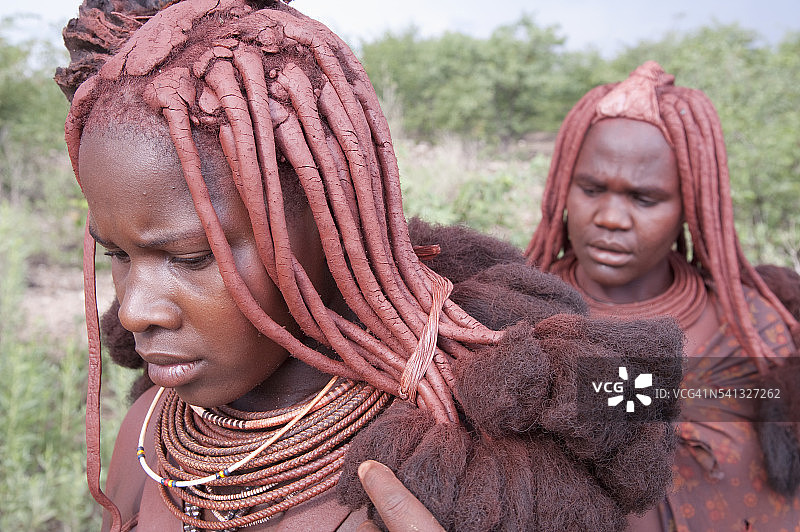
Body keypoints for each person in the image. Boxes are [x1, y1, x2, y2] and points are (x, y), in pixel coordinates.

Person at [57, 2, 684, 530]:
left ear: (328, 223)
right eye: (118, 254)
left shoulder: (452, 474)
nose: (134, 310)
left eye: (191, 257)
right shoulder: (150, 438)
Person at [525, 60, 800, 531]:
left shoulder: (758, 329)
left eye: (644, 198)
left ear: (688, 207)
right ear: (562, 189)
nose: (610, 217)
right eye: (591, 189)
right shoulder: (509, 318)